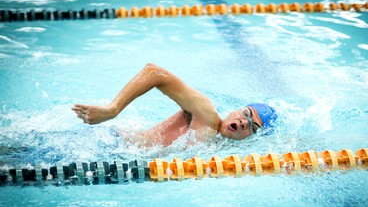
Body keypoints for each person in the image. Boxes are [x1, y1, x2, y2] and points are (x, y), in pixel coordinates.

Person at [72, 63, 277, 147]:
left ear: (252, 138)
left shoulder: (217, 146)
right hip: (106, 144)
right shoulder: (206, 115)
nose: (244, 122)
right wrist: (113, 109)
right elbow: (154, 72)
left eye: (253, 127)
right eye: (246, 113)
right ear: (235, 110)